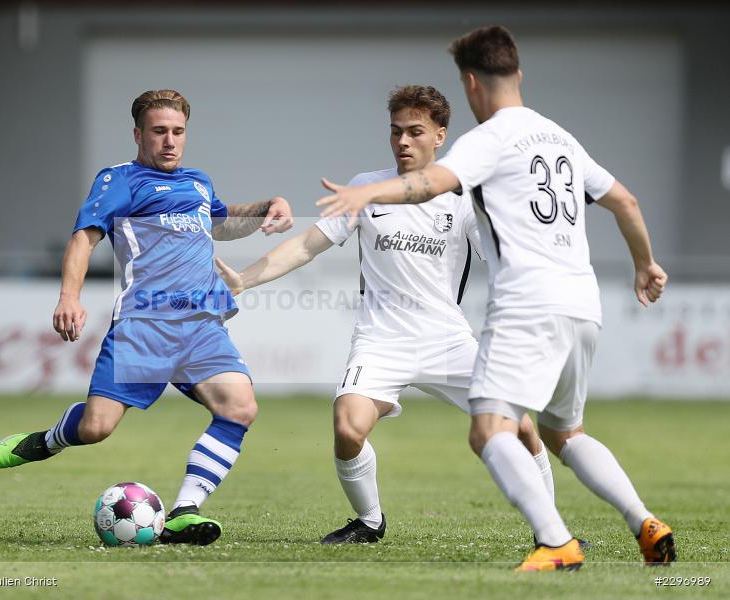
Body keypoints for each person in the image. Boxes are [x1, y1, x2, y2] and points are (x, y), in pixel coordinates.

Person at [315, 26, 674, 570]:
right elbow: (624, 200)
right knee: (563, 432)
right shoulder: (559, 137)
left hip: (527, 304)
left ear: (470, 82)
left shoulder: (490, 138)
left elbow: (431, 185)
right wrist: (645, 263)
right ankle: (643, 520)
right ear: (519, 74)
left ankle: (555, 541)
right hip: (584, 303)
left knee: (490, 431)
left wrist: (366, 191)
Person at [216, 84, 557, 544]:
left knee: (520, 427)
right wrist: (244, 279)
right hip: (381, 340)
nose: (402, 142)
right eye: (396, 132)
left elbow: (505, 258)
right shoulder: (366, 188)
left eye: (415, 132)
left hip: (448, 339)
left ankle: (553, 529)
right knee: (347, 425)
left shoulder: (464, 194)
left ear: (440, 135)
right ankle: (369, 522)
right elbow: (304, 245)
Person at [0, 89, 294, 546]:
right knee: (95, 428)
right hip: (144, 327)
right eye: (159, 132)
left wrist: (269, 205)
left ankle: (185, 511)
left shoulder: (197, 182)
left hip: (201, 326)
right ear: (138, 134)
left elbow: (220, 223)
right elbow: (83, 239)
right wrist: (68, 296)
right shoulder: (120, 181)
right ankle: (46, 441)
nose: (170, 141)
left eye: (178, 132)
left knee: (241, 408)